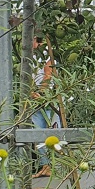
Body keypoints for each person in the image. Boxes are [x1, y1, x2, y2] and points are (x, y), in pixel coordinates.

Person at [30, 36, 60, 178]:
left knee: (49, 131)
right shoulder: (31, 56)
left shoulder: (47, 53)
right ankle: (46, 166)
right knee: (39, 132)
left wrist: (41, 93)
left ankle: (51, 165)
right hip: (36, 98)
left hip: (48, 98)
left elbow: (49, 74)